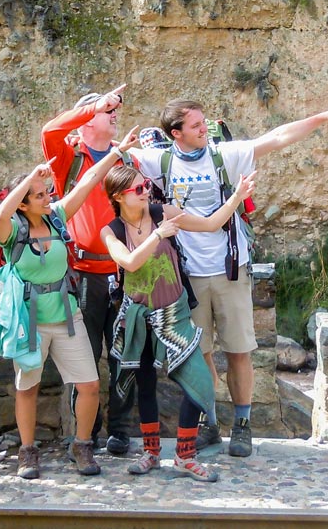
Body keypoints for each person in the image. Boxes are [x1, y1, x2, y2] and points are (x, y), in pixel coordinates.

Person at [129, 96, 328, 457]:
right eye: (195, 126)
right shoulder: (158, 160)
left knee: (239, 351)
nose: (204, 129)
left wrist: (325, 116)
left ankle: (242, 424)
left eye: (203, 122)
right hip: (187, 275)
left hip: (229, 269)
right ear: (175, 133)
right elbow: (107, 164)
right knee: (199, 354)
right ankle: (208, 422)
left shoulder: (225, 155)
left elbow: (278, 137)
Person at [0, 126, 140, 480]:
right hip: (30, 318)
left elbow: (88, 180)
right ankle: (28, 452)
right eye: (40, 195)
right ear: (23, 202)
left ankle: (82, 444)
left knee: (89, 384)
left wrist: (115, 153)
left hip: (66, 313)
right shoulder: (10, 230)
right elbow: (1, 214)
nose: (48, 198)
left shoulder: (57, 216)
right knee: (27, 387)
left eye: (48, 193)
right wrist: (29, 177)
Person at [100, 162, 257, 482]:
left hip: (175, 314)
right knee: (145, 384)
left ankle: (184, 455)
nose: (145, 192)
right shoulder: (112, 231)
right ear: (118, 197)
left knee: (199, 383)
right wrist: (158, 235)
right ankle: (152, 453)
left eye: (145, 185)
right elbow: (129, 262)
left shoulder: (162, 212)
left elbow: (211, 224)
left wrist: (237, 197)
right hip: (138, 315)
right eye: (137, 189)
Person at [41, 83, 132, 453]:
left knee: (125, 354)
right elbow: (50, 130)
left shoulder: (126, 157)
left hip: (125, 272)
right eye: (104, 111)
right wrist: (95, 104)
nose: (113, 113)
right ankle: (86, 434)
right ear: (85, 119)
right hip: (82, 275)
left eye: (112, 109)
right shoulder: (68, 157)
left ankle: (122, 431)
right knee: (85, 359)